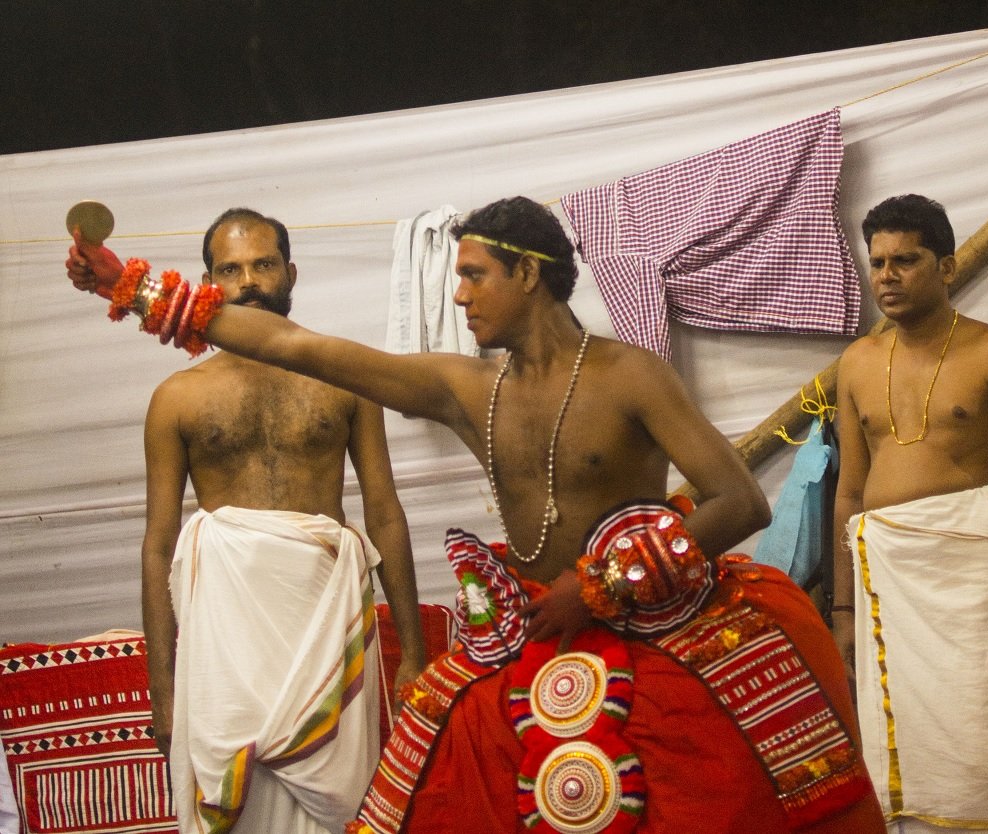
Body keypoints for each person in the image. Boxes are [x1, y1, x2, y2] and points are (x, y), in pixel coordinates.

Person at [67, 196, 886, 833]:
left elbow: (737, 502)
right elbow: (295, 347)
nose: (456, 296)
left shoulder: (630, 375)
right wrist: (129, 288)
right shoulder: (467, 388)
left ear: (528, 275)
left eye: (473, 276)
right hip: (527, 634)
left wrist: (600, 588)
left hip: (654, 632)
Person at [67, 208, 425, 834]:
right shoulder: (177, 397)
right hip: (222, 644)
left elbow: (384, 513)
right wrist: (163, 691)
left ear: (291, 271)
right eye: (230, 269)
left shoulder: (345, 379)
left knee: (341, 813)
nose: (249, 281)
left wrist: (413, 654)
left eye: (263, 264)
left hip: (326, 628)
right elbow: (158, 547)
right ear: (208, 282)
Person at [831, 194, 988, 833]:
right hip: (887, 593)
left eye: (906, 260)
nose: (887, 276)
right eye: (877, 262)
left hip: (974, 589)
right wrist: (843, 612)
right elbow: (848, 496)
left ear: (948, 267)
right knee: (897, 742)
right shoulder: (856, 364)